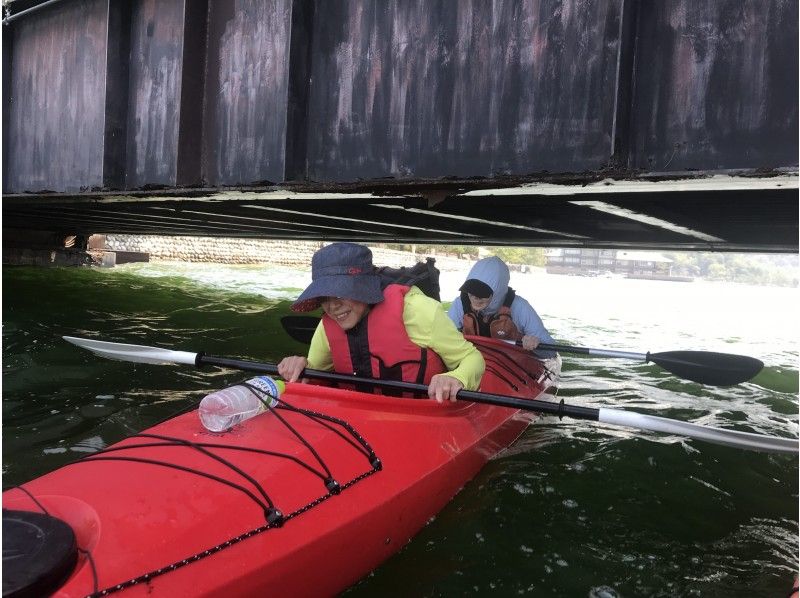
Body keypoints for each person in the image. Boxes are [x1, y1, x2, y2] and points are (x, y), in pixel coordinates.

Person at [277, 243, 485, 403]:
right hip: (354, 416)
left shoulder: (418, 310)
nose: (333, 307)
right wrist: (301, 365)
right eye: (324, 297)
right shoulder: (329, 323)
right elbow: (314, 374)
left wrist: (457, 377)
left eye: (341, 293)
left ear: (363, 287)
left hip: (419, 415)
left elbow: (471, 357)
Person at [448, 256, 554, 351]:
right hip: (470, 359)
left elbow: (550, 350)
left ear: (498, 293)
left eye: (481, 293)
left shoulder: (520, 307)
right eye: (471, 291)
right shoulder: (460, 304)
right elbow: (444, 335)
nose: (475, 297)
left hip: (510, 363)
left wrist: (535, 342)